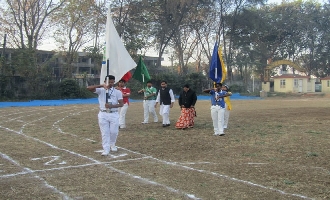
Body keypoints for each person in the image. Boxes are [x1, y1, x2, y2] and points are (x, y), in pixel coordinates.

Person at [87, 75, 123, 156]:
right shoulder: (101, 90)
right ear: (105, 82)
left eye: (112, 82)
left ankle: (112, 144)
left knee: (114, 131)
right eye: (109, 82)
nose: (110, 84)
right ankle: (106, 149)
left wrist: (111, 106)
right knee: (105, 132)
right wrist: (101, 85)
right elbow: (88, 88)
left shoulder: (117, 92)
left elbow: (121, 104)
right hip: (103, 114)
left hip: (113, 113)